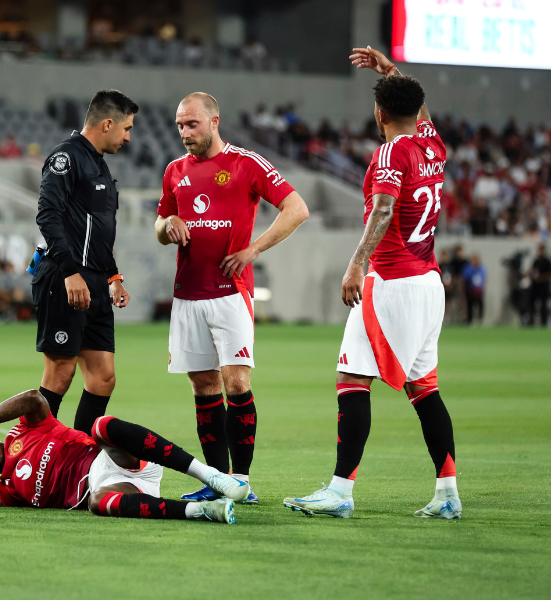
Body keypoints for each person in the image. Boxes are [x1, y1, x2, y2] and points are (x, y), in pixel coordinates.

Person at [284, 46, 461, 519]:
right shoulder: (432, 145)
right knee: (425, 390)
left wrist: (356, 264)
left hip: (391, 281)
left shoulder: (391, 152)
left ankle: (340, 492)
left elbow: (383, 209)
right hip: (428, 285)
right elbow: (416, 107)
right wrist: (393, 73)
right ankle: (447, 494)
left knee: (351, 379)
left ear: (378, 113)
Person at [154, 92, 309, 504]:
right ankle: (217, 480)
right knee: (203, 385)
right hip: (187, 293)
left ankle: (241, 480)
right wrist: (167, 224)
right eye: (180, 126)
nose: (185, 133)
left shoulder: (246, 163)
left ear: (214, 121)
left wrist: (253, 249)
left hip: (230, 292)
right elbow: (159, 223)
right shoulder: (173, 171)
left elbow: (296, 208)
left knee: (236, 381)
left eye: (192, 124)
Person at [0, 389, 249, 523]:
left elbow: (34, 398)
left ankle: (210, 476)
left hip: (119, 457)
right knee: (97, 502)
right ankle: (202, 511)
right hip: (116, 492)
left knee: (101, 425)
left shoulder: (25, 429)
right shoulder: (8, 491)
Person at [33, 90, 136, 434]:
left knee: (103, 377)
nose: (128, 137)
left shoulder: (100, 166)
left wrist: (113, 276)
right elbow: (48, 215)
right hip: (66, 278)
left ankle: (80, 457)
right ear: (107, 123)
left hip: (94, 281)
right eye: (126, 128)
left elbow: (99, 232)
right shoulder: (66, 157)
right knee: (60, 372)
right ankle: (27, 456)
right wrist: (70, 271)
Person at [461, 254, 486, 324]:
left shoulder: (481, 268)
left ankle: (480, 318)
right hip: (470, 289)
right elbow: (465, 277)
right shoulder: (468, 268)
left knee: (480, 304)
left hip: (478, 290)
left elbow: (483, 278)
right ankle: (470, 319)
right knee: (470, 305)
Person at [530, 244, 550, 327]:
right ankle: (531, 322)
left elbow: (549, 274)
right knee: (531, 303)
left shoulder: (547, 262)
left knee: (543, 305)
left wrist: (541, 278)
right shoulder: (536, 261)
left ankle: (544, 322)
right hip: (535, 287)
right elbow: (533, 271)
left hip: (544, 287)